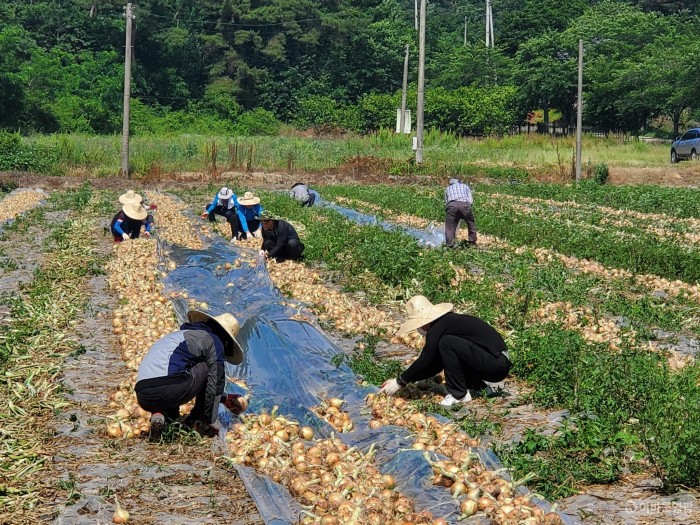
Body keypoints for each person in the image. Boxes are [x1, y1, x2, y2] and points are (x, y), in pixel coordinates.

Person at [135, 310, 247, 441]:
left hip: (143, 395)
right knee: (209, 367)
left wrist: (224, 398)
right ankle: (197, 420)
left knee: (177, 370)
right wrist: (210, 417)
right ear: (226, 339)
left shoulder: (176, 336)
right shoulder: (213, 340)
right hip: (171, 389)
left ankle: (160, 414)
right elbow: (215, 381)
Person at [380, 295, 511, 407]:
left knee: (448, 343)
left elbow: (426, 359)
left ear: (424, 321)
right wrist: (405, 380)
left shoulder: (439, 328)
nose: (419, 329)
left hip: (496, 364)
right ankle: (478, 387)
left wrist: (399, 382)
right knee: (450, 347)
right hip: (495, 362)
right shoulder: (447, 323)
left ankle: (458, 395)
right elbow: (434, 365)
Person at [444, 178, 477, 248]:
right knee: (471, 223)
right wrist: (466, 206)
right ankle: (472, 242)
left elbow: (447, 201)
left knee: (450, 226)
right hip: (464, 205)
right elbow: (470, 199)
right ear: (459, 181)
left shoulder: (448, 188)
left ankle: (449, 245)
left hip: (452, 206)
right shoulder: (465, 186)